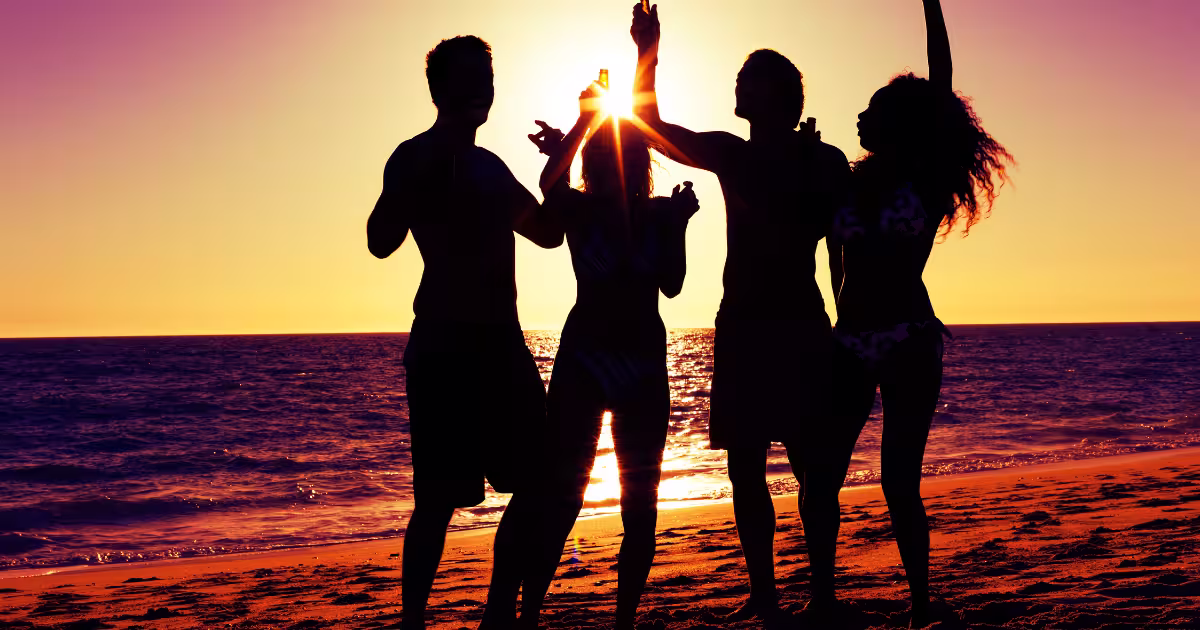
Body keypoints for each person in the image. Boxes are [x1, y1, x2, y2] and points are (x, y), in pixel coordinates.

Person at [630, 3, 850, 621]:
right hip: (770, 324)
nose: (737, 87)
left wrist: (647, 51)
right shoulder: (790, 157)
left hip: (781, 324)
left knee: (794, 469)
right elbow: (653, 128)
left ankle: (807, 598)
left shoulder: (781, 158)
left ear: (775, 96)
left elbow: (650, 126)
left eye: (747, 80)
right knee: (762, 469)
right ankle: (782, 596)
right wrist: (647, 51)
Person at [820, 1, 1014, 625]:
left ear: (901, 123)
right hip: (850, 337)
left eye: (872, 109)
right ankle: (821, 600)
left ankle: (922, 604)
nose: (860, 116)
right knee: (823, 474)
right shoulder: (846, 183)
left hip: (908, 337)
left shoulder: (927, 180)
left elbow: (939, 82)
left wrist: (930, 3)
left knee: (898, 481)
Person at [482, 81, 699, 630]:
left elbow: (672, 283)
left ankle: (607, 620)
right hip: (596, 362)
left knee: (631, 502)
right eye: (601, 154)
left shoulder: (649, 214)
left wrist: (679, 226)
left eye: (611, 153)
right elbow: (549, 182)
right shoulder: (582, 210)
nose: (606, 163)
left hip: (627, 365)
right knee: (571, 496)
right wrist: (582, 124)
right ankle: (531, 614)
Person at [365, 35, 563, 630]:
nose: (484, 88)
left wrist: (564, 155)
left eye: (488, 78)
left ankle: (498, 610)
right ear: (440, 89)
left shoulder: (490, 166)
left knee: (537, 481)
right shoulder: (413, 155)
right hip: (444, 345)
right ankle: (413, 621)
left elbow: (548, 232)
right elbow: (379, 241)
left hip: (501, 342)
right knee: (436, 501)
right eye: (472, 77)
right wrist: (416, 184)